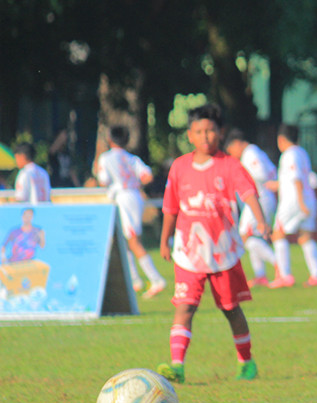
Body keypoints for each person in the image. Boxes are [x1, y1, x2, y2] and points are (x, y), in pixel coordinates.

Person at [155, 104, 269, 384]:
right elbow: (171, 207)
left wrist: (261, 220)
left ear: (221, 133)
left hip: (222, 251)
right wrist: (165, 239)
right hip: (188, 251)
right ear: (190, 135)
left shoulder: (229, 165)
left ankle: (246, 361)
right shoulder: (180, 167)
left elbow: (248, 192)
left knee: (230, 309)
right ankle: (177, 365)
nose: (205, 136)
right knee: (185, 306)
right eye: (199, 131)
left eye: (210, 130)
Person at [94, 125, 168, 299]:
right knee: (127, 240)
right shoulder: (132, 158)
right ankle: (134, 280)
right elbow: (147, 176)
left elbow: (104, 181)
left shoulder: (106, 158)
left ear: (110, 140)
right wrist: (135, 184)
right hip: (135, 196)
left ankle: (156, 279)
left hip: (122, 197)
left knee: (133, 240)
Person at [268, 123, 317, 288]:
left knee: (278, 234)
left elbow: (296, 178)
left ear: (281, 139)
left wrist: (300, 202)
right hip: (308, 199)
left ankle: (285, 275)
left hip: (293, 201)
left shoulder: (289, 154)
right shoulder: (302, 153)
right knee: (305, 237)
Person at [224, 129, 278, 287]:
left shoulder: (250, 153)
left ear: (236, 144)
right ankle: (260, 274)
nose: (233, 155)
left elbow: (261, 174)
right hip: (261, 198)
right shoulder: (255, 152)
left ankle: (278, 265)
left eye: (231, 151)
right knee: (253, 235)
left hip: (258, 198)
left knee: (245, 235)